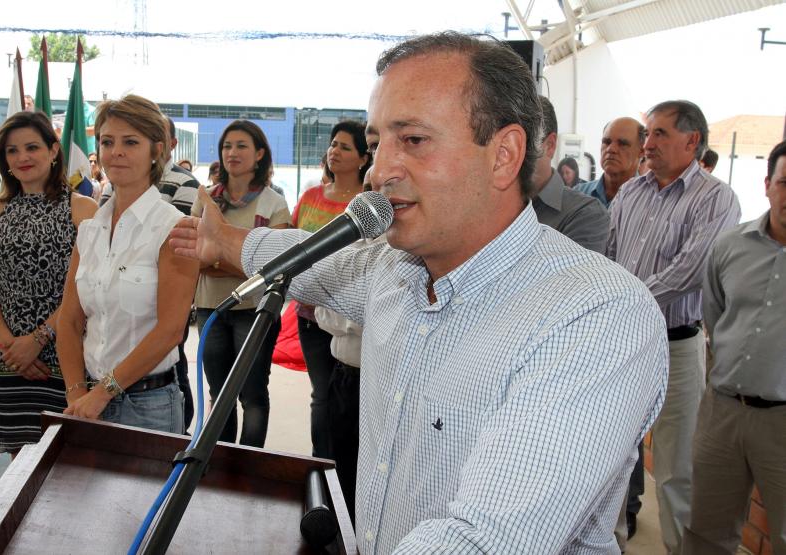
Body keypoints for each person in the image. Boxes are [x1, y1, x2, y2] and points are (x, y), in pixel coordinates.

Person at [171, 32, 668, 553]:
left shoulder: (598, 315)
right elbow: (312, 261)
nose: (379, 171)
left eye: (413, 140)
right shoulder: (395, 268)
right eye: (377, 143)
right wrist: (226, 240)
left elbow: (482, 541)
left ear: (504, 155)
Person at [606, 99, 740, 555]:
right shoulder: (631, 193)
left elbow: (693, 269)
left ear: (692, 140)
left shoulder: (716, 198)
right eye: (648, 133)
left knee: (675, 467)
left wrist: (626, 298)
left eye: (660, 134)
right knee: (610, 456)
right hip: (622, 341)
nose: (649, 143)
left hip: (677, 346)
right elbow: (608, 259)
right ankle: (609, 545)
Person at [57, 94, 198, 434]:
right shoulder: (90, 230)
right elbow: (69, 320)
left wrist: (102, 394)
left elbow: (170, 331)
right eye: (108, 142)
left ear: (157, 151)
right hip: (88, 400)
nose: (116, 151)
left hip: (148, 406)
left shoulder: (174, 229)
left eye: (131, 142)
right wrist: (77, 393)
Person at [0, 111, 97, 455]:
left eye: (32, 147)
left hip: (64, 357)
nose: (23, 157)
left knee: (69, 462)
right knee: (18, 469)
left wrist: (39, 339)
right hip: (6, 359)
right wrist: (10, 347)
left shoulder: (82, 208)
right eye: (12, 151)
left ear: (53, 150)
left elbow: (87, 288)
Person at [682, 140, 786, 555]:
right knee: (705, 530)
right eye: (785, 182)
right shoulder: (730, 246)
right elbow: (716, 315)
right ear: (767, 185)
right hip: (722, 412)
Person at [191, 120, 290, 448]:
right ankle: (218, 465)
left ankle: (248, 468)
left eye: (242, 146)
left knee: (252, 395)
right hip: (211, 309)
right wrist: (244, 262)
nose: (232, 152)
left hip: (255, 310)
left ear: (260, 153)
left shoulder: (274, 203)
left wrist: (218, 259)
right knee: (219, 395)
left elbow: (275, 266)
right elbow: (196, 257)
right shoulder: (205, 200)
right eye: (227, 146)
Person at [292, 120, 371, 458]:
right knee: (321, 394)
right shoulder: (310, 197)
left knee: (345, 397)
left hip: (350, 320)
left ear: (363, 159)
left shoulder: (370, 206)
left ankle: (335, 469)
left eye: (345, 147)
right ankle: (319, 465)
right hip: (310, 315)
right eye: (333, 144)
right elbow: (292, 247)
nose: (334, 151)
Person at [313, 165, 378, 522]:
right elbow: (323, 315)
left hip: (377, 382)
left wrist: (349, 317)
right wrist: (355, 318)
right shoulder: (349, 244)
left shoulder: (401, 249)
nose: (370, 196)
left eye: (377, 189)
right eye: (367, 188)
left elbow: (381, 321)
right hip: (342, 376)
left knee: (368, 480)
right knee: (338, 466)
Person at [531, 96, 608, 253]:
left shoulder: (585, 215)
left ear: (550, 145)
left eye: (522, 142)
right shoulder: (488, 204)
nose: (507, 154)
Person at [577, 117, 646, 207]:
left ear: (642, 151)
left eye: (622, 143)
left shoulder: (649, 202)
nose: (610, 149)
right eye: (606, 142)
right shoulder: (579, 194)